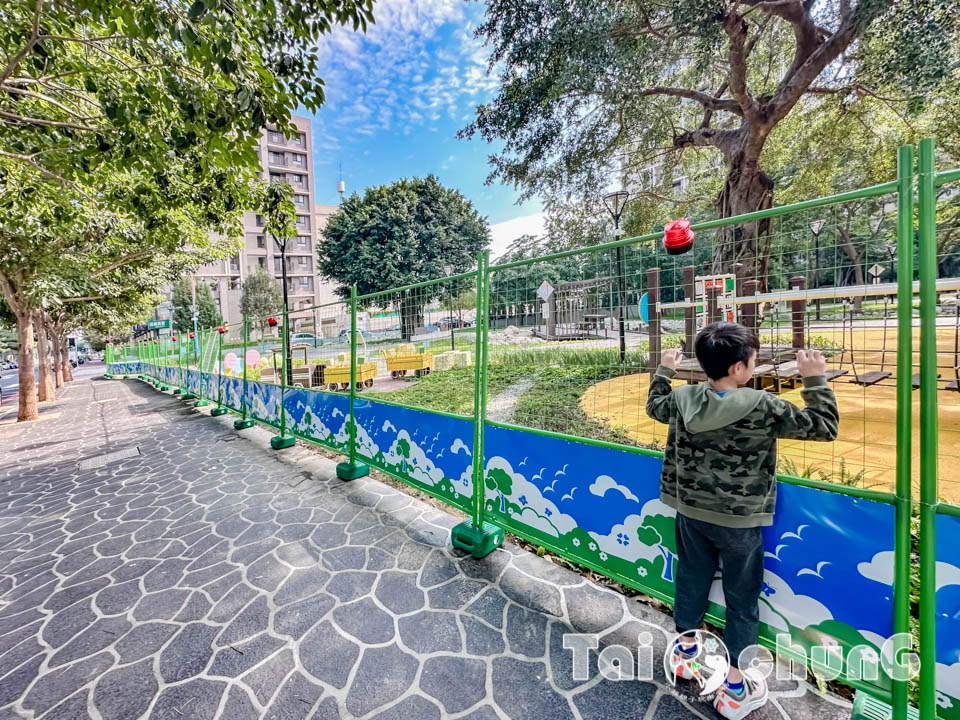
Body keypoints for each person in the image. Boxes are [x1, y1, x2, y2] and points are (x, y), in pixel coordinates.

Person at [646, 322, 839, 719]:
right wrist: (814, 378)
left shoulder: (683, 399)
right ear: (738, 368)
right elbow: (824, 427)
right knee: (741, 599)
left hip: (690, 512)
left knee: (691, 579)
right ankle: (735, 687)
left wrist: (665, 368)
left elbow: (654, 406)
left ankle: (685, 654)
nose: (754, 365)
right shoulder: (764, 405)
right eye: (752, 360)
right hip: (740, 521)